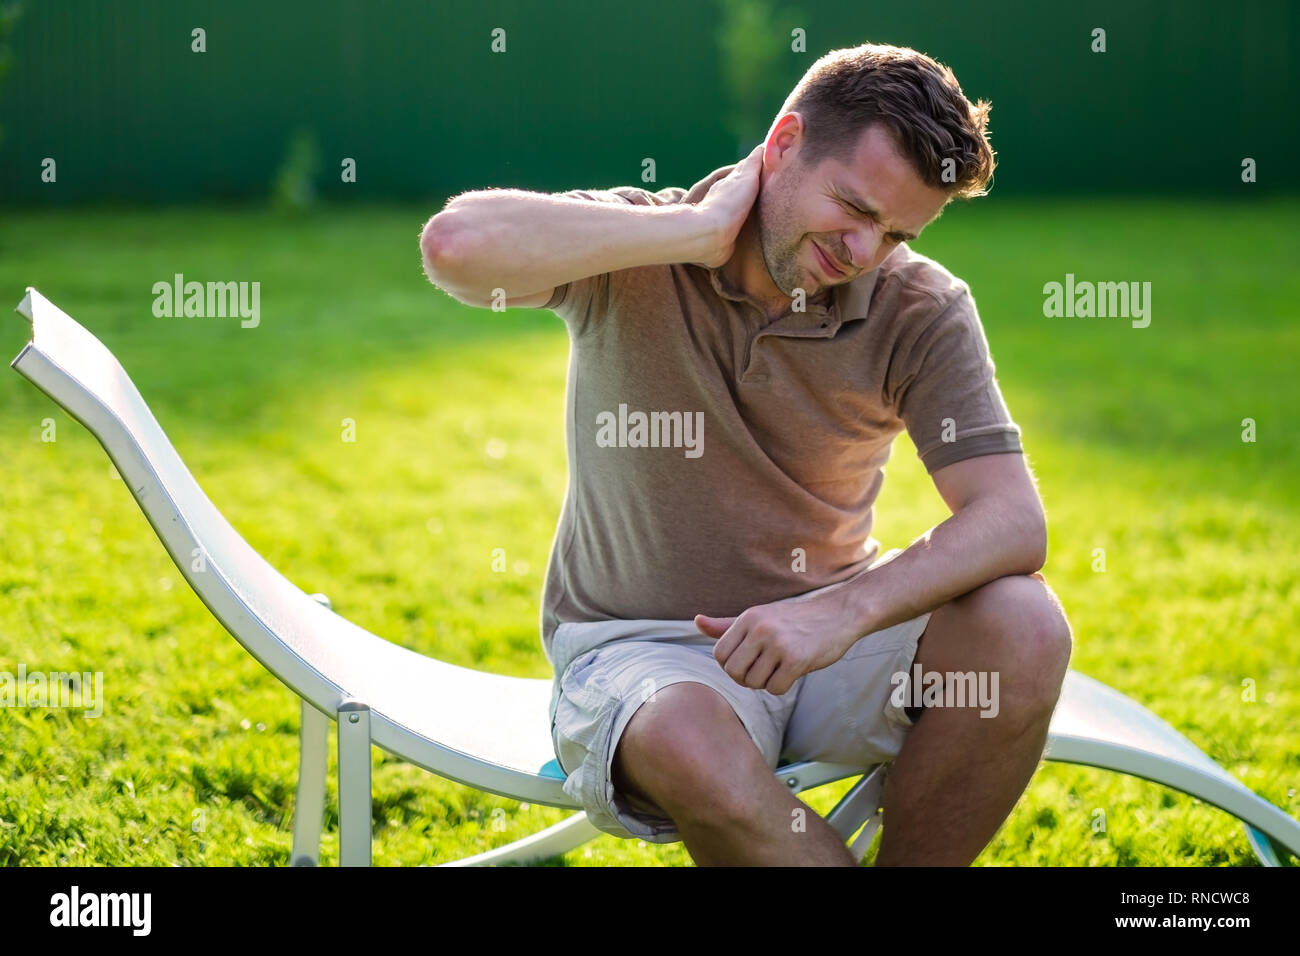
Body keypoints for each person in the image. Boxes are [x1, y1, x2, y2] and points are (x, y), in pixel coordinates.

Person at [419, 42, 1072, 866]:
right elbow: (455, 248)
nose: (865, 252)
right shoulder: (634, 245)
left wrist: (839, 613)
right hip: (639, 655)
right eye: (854, 209)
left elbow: (1013, 520)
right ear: (784, 143)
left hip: (829, 644)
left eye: (897, 231)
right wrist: (688, 233)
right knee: (690, 739)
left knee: (1025, 625)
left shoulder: (921, 307)